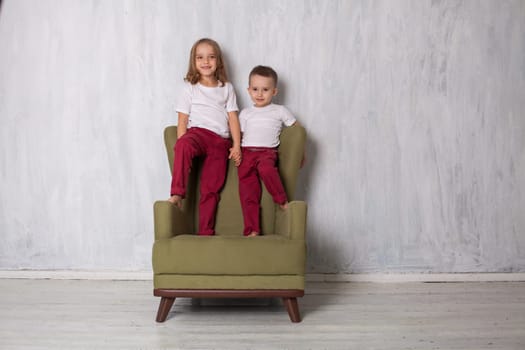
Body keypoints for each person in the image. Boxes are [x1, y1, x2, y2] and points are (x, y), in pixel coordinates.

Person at [168, 38, 242, 236]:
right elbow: (182, 121)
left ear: (218, 61)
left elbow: (233, 117)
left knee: (211, 188)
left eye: (211, 57)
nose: (206, 62)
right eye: (200, 57)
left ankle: (206, 232)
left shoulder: (226, 88)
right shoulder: (189, 88)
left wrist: (236, 145)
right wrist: (183, 145)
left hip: (220, 142)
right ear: (194, 61)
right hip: (197, 135)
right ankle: (177, 194)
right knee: (183, 144)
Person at [238, 65, 297, 237]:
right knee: (248, 194)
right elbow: (238, 134)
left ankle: (281, 200)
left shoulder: (280, 110)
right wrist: (235, 150)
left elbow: (296, 129)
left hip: (267, 153)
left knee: (266, 169)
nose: (260, 94)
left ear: (274, 91)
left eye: (265, 89)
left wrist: (302, 153)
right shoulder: (246, 113)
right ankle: (252, 229)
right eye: (255, 89)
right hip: (246, 153)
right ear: (248, 90)